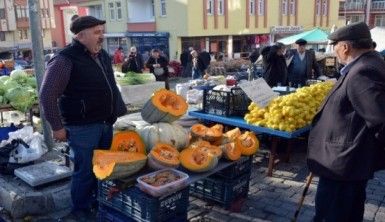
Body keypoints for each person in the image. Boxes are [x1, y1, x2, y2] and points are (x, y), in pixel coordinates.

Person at [39, 16, 127, 221]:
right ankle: (80, 210)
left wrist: (118, 109)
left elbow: (110, 85)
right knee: (85, 170)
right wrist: (56, 127)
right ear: (80, 36)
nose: (101, 36)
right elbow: (47, 95)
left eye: (101, 32)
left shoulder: (102, 55)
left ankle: (98, 202)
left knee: (103, 168)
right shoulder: (64, 59)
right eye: (96, 32)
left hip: (106, 122)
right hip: (82, 127)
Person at [307, 22, 385, 222]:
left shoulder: (363, 71)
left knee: (333, 215)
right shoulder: (367, 64)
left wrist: (371, 155)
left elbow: (380, 120)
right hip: (345, 164)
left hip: (343, 165)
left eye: (335, 45)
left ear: (345, 47)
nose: (334, 50)